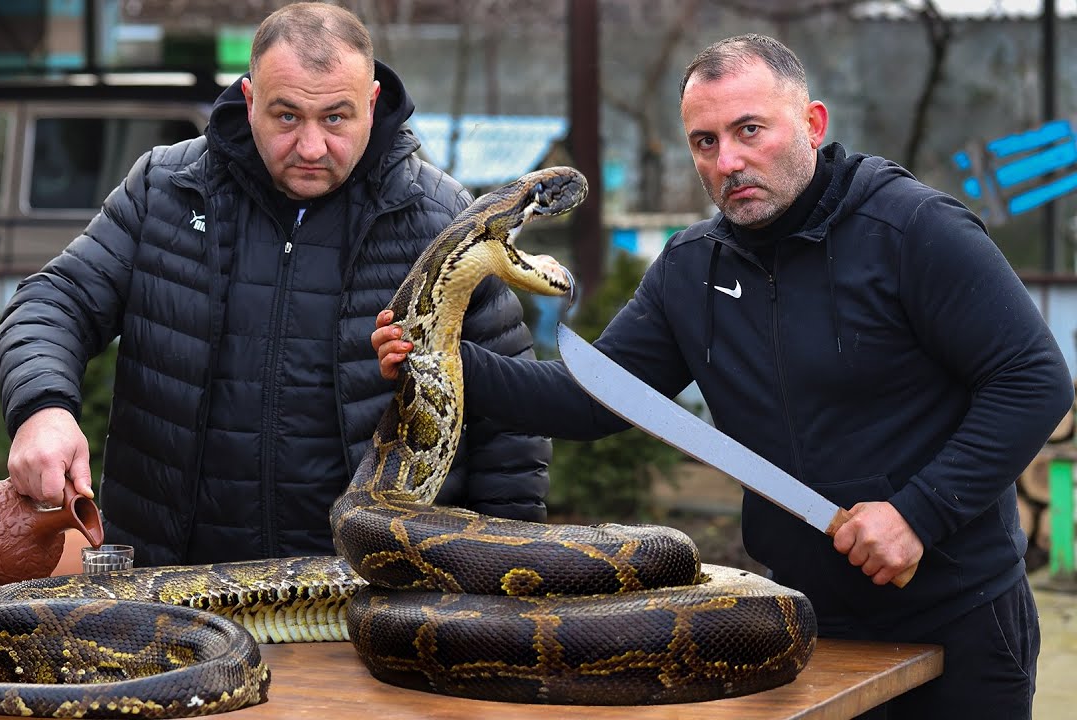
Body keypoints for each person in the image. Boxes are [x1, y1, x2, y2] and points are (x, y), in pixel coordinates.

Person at [374, 33, 1070, 719]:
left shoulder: (913, 228)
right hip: (803, 624)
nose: (728, 161)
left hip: (959, 619)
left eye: (749, 131)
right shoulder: (690, 270)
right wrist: (438, 361)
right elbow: (590, 401)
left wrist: (920, 513)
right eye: (704, 142)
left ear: (812, 124)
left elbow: (1035, 378)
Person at [0, 2, 549, 567]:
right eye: (286, 116)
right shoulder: (167, 189)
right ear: (250, 98)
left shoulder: (439, 220)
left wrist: (504, 567)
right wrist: (43, 408)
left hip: (372, 590)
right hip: (172, 584)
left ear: (372, 102)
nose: (311, 147)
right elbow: (53, 302)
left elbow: (509, 420)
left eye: (335, 118)